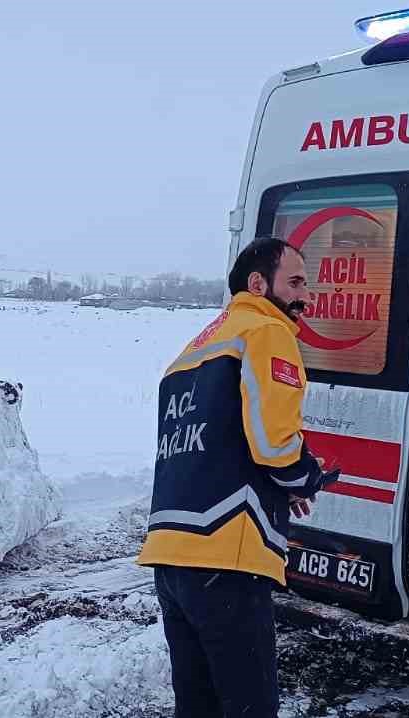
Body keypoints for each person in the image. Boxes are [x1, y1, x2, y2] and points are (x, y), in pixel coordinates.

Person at [138, 237, 339, 718]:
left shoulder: (192, 350)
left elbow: (213, 446)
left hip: (171, 555)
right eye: (294, 282)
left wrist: (280, 483)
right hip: (226, 554)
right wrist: (305, 476)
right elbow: (274, 444)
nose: (304, 297)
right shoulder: (267, 332)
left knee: (197, 704)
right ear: (257, 283)